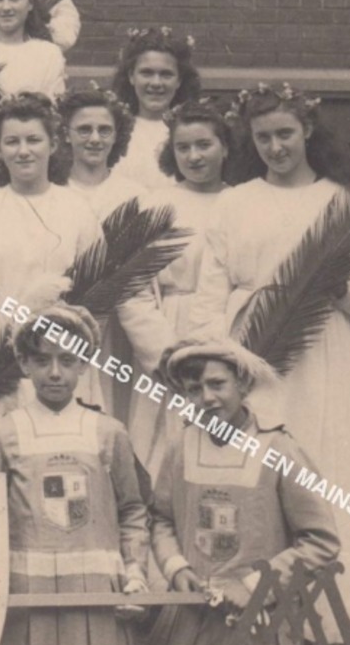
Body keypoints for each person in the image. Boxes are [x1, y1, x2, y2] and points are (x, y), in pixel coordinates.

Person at [188, 83, 350, 642]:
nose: (275, 146)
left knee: (326, 470)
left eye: (285, 134)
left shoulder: (338, 200)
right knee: (261, 473)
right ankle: (256, 607)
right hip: (252, 352)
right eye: (263, 137)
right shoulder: (236, 201)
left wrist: (335, 282)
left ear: (307, 131)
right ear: (249, 142)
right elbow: (211, 290)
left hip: (323, 355)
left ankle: (337, 613)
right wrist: (215, 358)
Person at [0, 303, 149, 645]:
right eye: (42, 361)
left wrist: (134, 573)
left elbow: (132, 510)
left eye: (67, 360)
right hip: (27, 593)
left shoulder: (109, 432)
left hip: (97, 591)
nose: (55, 373)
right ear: (24, 364)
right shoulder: (2, 434)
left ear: (84, 364)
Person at [151, 340, 341, 645]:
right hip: (191, 614)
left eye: (217, 384)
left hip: (260, 617)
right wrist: (176, 568)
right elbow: (161, 518)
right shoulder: (179, 447)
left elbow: (320, 541)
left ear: (243, 384)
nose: (207, 398)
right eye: (194, 389)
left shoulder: (278, 448)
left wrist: (254, 586)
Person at [116, 98, 235, 481]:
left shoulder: (242, 201)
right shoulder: (157, 205)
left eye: (204, 145)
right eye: (183, 147)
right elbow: (133, 289)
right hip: (169, 332)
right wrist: (165, 353)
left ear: (226, 147)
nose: (194, 156)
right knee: (163, 444)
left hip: (226, 334)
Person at [0, 95, 101, 407]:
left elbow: (96, 295)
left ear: (53, 145)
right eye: (12, 141)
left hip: (60, 349)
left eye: (34, 140)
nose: (23, 151)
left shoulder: (77, 209)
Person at [111, 26, 203, 192]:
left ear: (179, 80)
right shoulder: (114, 129)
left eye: (166, 74)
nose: (156, 83)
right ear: (131, 76)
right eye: (146, 73)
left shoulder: (193, 130)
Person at [55, 85, 141, 220]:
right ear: (66, 134)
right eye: (84, 130)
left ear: (115, 136)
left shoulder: (134, 195)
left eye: (104, 130)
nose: (95, 139)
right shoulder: (52, 190)